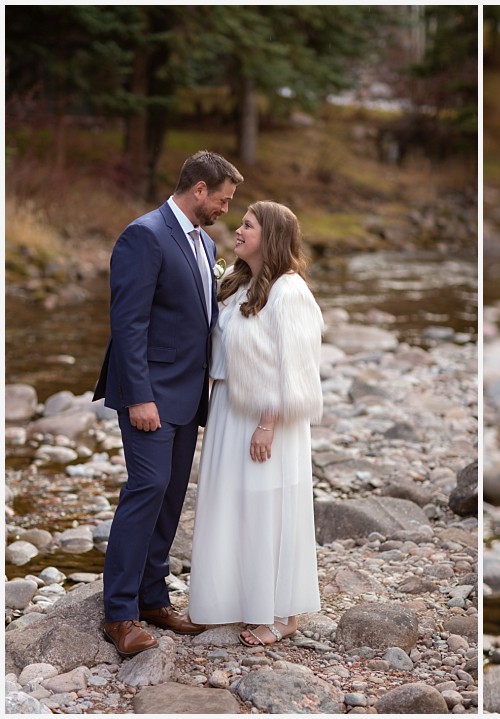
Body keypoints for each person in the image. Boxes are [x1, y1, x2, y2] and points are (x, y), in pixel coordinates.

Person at [94, 151, 244, 656]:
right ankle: (119, 613)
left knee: (171, 495)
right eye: (223, 199)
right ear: (198, 190)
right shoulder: (145, 235)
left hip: (187, 395)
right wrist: (139, 396)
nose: (226, 208)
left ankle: (153, 596)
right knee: (147, 488)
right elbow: (128, 323)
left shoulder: (204, 242)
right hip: (150, 394)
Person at [187, 200, 324, 647]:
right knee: (230, 503)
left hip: (266, 417)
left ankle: (281, 614)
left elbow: (295, 369)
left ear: (272, 236)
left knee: (268, 507)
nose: (238, 229)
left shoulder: (290, 292)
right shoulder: (239, 284)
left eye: (248, 224)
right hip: (228, 406)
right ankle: (232, 599)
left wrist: (267, 423)